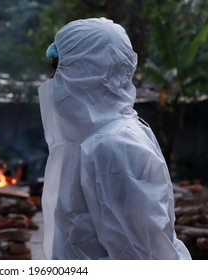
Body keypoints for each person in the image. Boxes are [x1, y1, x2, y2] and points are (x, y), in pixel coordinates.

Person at [38, 18, 191, 260]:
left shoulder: (114, 147)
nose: (53, 81)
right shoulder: (88, 141)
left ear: (89, 71)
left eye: (60, 68)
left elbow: (140, 261)